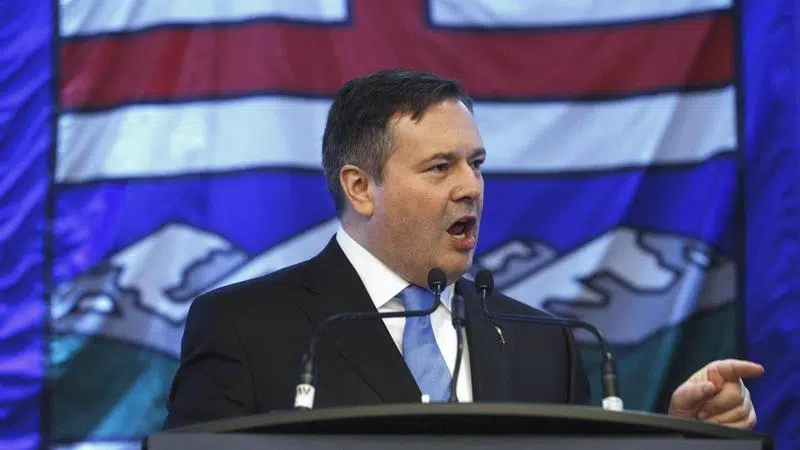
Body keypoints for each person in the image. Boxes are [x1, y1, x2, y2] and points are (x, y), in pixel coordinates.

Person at [163, 69, 763, 430]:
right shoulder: (245, 326)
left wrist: (682, 436)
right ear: (360, 187)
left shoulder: (541, 342)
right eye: (440, 167)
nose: (470, 187)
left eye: (475, 164)